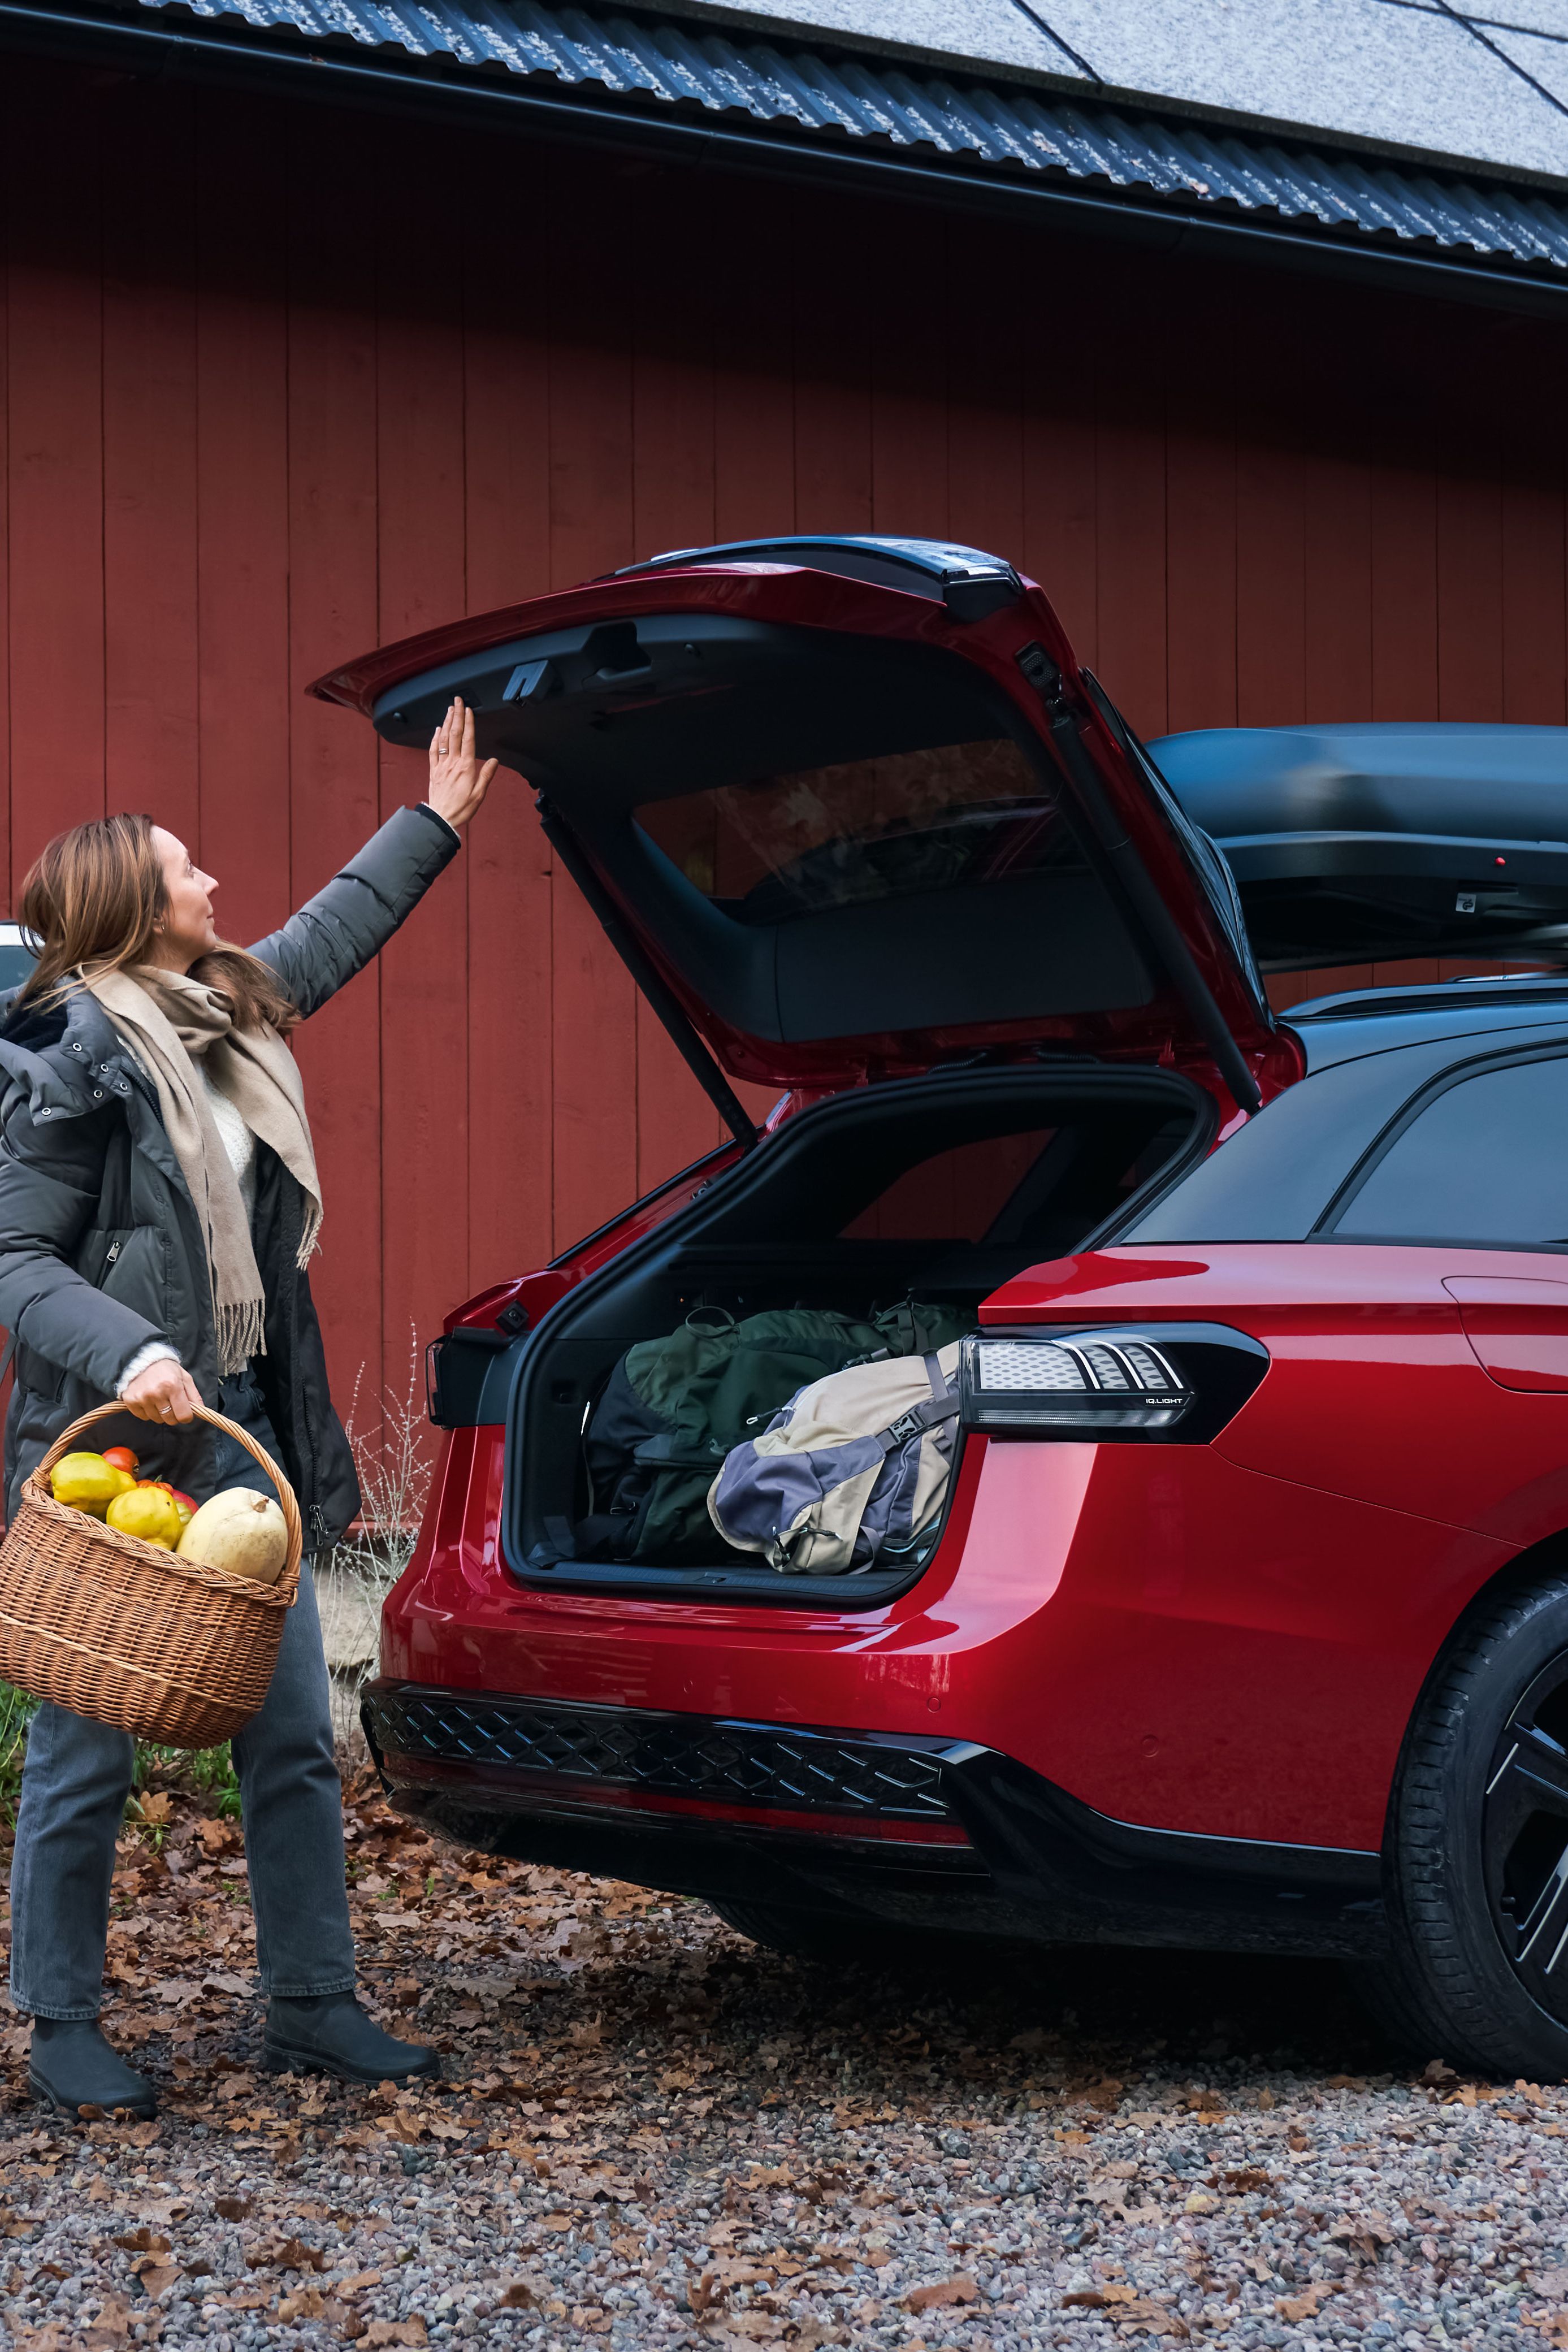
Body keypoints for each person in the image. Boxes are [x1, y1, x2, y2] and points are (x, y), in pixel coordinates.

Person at [0, 701, 498, 2117]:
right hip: (108, 1445)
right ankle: (61, 2021)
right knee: (87, 1750)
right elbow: (16, 1257)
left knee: (288, 1733)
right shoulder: (63, 1061)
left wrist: (439, 822)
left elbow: (327, 939)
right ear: (128, 910)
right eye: (185, 868)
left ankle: (311, 2002)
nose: (213, 882)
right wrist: (126, 1351)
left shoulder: (222, 1014)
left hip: (239, 1431)